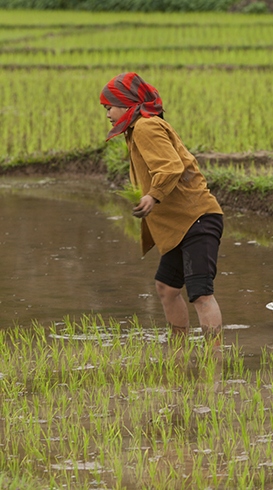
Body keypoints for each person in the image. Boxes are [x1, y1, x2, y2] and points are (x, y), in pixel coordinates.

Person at [99, 72, 224, 342]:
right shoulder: (137, 129)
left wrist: (153, 196)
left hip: (196, 218)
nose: (107, 113)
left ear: (127, 104)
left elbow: (170, 167)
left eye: (110, 106)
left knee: (201, 294)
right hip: (180, 223)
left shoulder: (146, 126)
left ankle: (214, 359)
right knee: (167, 287)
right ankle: (179, 349)